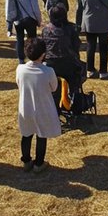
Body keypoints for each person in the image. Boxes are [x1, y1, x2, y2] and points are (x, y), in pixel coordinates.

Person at [16, 38, 61, 173]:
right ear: (43, 54)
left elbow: (19, 84)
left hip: (25, 108)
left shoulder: (20, 69)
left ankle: (26, 161)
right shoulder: (48, 71)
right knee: (42, 135)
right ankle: (39, 163)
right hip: (43, 108)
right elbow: (54, 88)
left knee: (26, 134)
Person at [40, 4, 85, 108]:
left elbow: (43, 47)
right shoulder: (71, 29)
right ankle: (74, 96)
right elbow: (76, 45)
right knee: (78, 75)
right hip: (69, 64)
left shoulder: (46, 30)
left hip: (50, 65)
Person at [7, 0, 41, 64]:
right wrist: (39, 20)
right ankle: (33, 58)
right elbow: (35, 7)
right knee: (32, 41)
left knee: (20, 40)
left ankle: (21, 60)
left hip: (18, 19)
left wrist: (9, 18)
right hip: (30, 19)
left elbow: (9, 4)